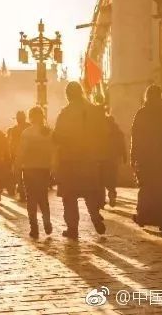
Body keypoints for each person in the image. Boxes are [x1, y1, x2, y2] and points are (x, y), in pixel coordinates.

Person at [53, 82, 108, 239]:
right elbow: (103, 133)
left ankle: (73, 228)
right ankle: (96, 217)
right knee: (90, 192)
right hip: (88, 159)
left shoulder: (66, 113)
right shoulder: (93, 111)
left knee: (69, 197)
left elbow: (58, 135)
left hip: (69, 160)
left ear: (68, 95)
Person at [130, 85, 162, 231]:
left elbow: (135, 136)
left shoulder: (142, 113)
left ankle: (143, 216)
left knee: (146, 188)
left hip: (146, 157)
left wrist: (133, 156)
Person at [17, 106, 54, 239]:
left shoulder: (27, 133)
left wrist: (16, 166)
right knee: (43, 198)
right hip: (44, 169)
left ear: (30, 117)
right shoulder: (48, 132)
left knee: (31, 199)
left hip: (29, 169)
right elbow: (53, 151)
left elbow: (21, 152)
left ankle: (34, 228)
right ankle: (47, 223)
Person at [102, 115, 126, 208]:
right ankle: (112, 194)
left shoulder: (102, 131)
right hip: (113, 159)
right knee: (112, 178)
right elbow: (122, 145)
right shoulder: (118, 132)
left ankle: (102, 199)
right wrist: (124, 156)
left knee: (102, 179)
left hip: (103, 159)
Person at [7, 111, 30, 200]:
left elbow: (12, 144)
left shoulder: (15, 129)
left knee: (19, 176)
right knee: (28, 175)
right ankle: (26, 192)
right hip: (29, 155)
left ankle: (22, 193)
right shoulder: (29, 126)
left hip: (19, 156)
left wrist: (12, 156)